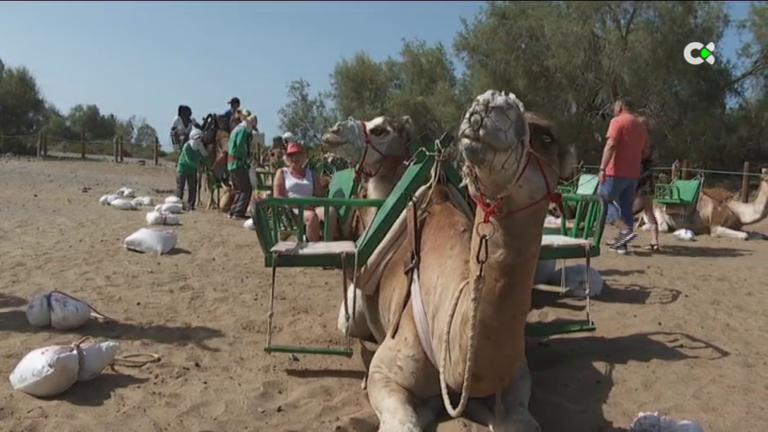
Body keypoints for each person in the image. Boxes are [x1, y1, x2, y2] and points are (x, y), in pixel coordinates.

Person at [597, 97, 650, 254]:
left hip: (614, 171)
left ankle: (624, 230)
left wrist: (602, 168)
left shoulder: (617, 122)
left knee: (601, 201)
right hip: (632, 173)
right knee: (626, 208)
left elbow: (611, 144)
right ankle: (622, 244)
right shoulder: (641, 126)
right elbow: (646, 151)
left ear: (620, 107)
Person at [273, 142, 337, 242]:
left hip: (311, 205)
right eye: (291, 155)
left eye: (297, 155)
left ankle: (328, 243)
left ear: (303, 157)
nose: (294, 158)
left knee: (330, 212)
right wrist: (297, 205)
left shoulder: (311, 174)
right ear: (287, 158)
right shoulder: (282, 173)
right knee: (311, 217)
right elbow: (277, 197)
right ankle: (313, 247)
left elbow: (321, 196)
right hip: (292, 208)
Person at [635, 117, 661, 251]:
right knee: (649, 211)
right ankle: (655, 241)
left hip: (641, 181)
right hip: (646, 180)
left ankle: (623, 238)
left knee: (628, 210)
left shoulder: (642, 144)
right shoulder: (648, 143)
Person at [227, 109, 257, 220]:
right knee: (246, 189)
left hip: (231, 163)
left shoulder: (236, 129)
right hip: (238, 162)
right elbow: (240, 146)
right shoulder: (243, 131)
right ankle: (238, 213)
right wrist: (246, 156)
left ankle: (233, 210)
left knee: (239, 189)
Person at [175, 129, 211, 210]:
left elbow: (205, 156)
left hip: (192, 170)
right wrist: (198, 167)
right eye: (196, 138)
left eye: (199, 138)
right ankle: (178, 204)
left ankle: (191, 205)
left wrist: (209, 165)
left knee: (192, 187)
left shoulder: (200, 146)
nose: (198, 140)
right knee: (180, 187)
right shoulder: (187, 146)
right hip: (182, 169)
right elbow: (189, 160)